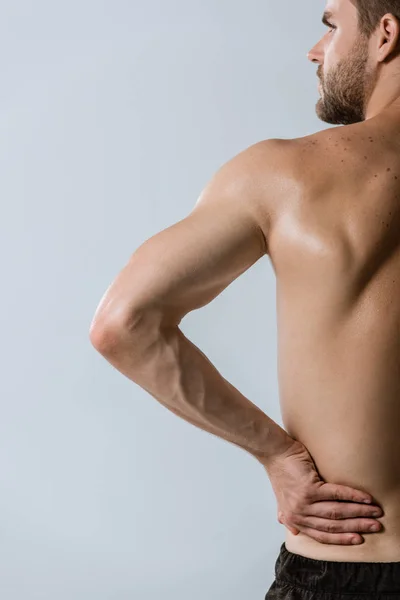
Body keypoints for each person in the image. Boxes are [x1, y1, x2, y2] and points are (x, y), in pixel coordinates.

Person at [90, 0, 400, 596]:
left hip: (346, 564)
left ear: (385, 35)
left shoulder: (285, 175)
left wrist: (278, 456)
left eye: (331, 25)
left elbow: (124, 323)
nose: (316, 50)